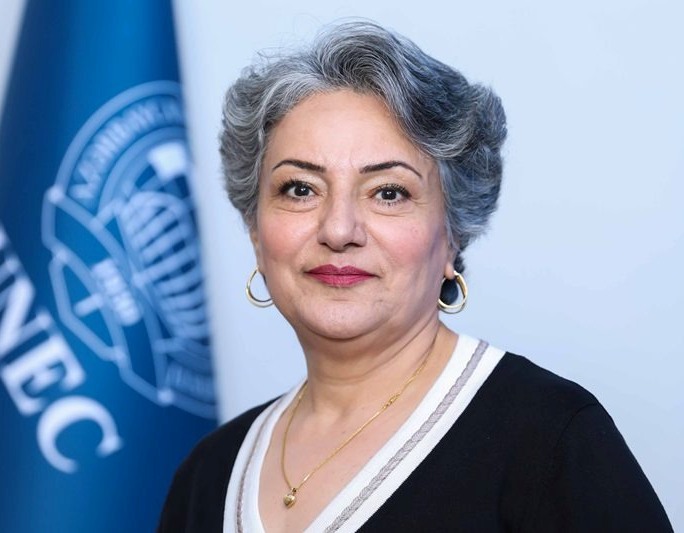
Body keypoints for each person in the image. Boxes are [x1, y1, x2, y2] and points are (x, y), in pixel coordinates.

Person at [158, 21, 672, 532]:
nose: (339, 230)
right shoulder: (208, 474)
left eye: (389, 193)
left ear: (453, 234)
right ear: (255, 230)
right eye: (300, 189)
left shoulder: (551, 439)